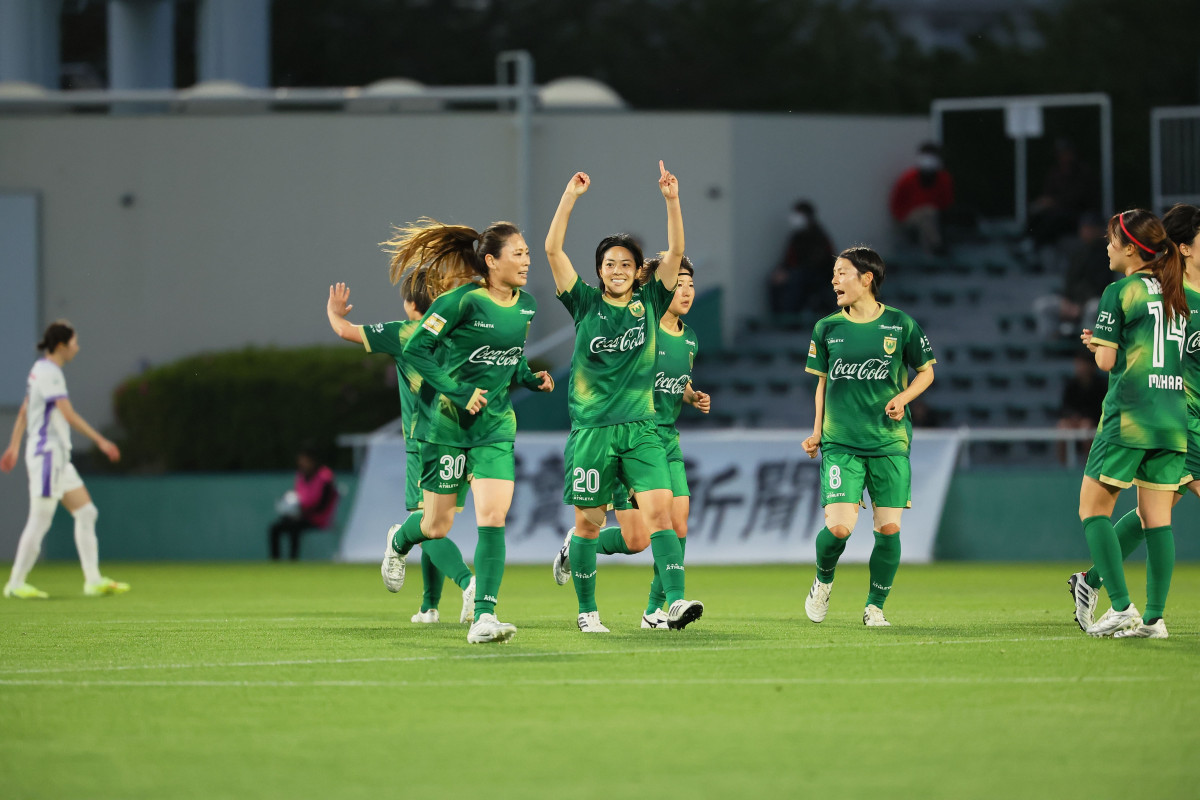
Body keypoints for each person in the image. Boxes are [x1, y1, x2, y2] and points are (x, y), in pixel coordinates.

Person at [545, 161, 705, 632]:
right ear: (599, 270)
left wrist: (672, 199)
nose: (618, 270)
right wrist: (570, 197)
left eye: (626, 265)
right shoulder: (584, 303)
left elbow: (677, 251)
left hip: (641, 429)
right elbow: (553, 249)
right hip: (593, 432)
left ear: (638, 273)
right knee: (589, 526)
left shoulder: (650, 302)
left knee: (662, 517)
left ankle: (671, 604)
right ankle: (587, 613)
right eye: (610, 264)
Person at [381, 218, 553, 644]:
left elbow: (510, 356)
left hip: (495, 427)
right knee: (435, 526)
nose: (527, 261)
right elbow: (417, 349)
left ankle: (484, 616)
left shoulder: (527, 305)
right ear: (491, 261)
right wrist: (457, 391)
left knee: (493, 518)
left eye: (528, 253)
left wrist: (529, 378)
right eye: (518, 253)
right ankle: (400, 539)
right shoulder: (460, 302)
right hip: (446, 427)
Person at [1068, 204, 1198, 639]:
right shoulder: (1178, 291)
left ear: (1130, 248)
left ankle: (1122, 606)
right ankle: (1155, 619)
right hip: (1173, 418)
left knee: (1092, 510)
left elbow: (1107, 362)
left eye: (1112, 241)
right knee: (1156, 519)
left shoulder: (1120, 291)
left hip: (1130, 416)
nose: (1107, 248)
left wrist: (1101, 346)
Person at [325, 267, 477, 625]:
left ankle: (466, 582)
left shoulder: (404, 332)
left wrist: (334, 311)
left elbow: (345, 330)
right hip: (463, 440)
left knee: (427, 524)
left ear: (410, 303)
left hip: (424, 442)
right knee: (435, 525)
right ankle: (429, 607)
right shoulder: (459, 333)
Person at [566, 255, 711, 629]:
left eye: (691, 285)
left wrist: (691, 395)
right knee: (635, 540)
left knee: (678, 523)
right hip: (630, 436)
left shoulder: (690, 338)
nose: (685, 291)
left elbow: (675, 381)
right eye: (678, 283)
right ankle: (577, 547)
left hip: (666, 439)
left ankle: (656, 610)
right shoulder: (640, 328)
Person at [801, 247, 936, 627]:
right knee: (839, 529)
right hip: (841, 443)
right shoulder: (827, 328)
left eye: (841, 272)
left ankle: (875, 606)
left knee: (889, 529)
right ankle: (822, 581)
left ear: (867, 278)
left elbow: (926, 372)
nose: (834, 280)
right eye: (833, 273)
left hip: (889, 442)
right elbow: (821, 384)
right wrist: (816, 431)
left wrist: (903, 398)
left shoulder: (900, 324)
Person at [1, 321, 129, 599]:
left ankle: (93, 581)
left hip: (56, 457)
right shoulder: (50, 373)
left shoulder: (40, 369)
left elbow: (25, 410)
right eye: (74, 342)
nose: (77, 348)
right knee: (40, 519)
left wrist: (14, 447)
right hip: (48, 456)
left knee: (86, 512)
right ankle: (15, 583)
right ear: (61, 346)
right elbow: (68, 415)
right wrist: (102, 441)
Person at [1032, 213, 1113, 339]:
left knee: (1094, 307)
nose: (1085, 231)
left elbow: (1102, 285)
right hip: (1074, 301)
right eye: (1084, 227)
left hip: (1095, 300)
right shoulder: (1078, 252)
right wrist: (1067, 300)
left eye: (1090, 228)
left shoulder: (1108, 254)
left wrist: (1080, 304)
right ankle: (1053, 345)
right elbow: (1070, 282)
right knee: (1042, 306)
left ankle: (1088, 346)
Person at [267, 445, 339, 560]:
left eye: (304, 460)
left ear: (313, 460)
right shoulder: (300, 475)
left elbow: (323, 504)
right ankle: (275, 562)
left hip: (318, 518)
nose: (301, 463)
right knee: (275, 528)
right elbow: (299, 497)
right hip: (301, 516)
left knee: (294, 527)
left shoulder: (325, 477)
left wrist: (303, 512)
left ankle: (293, 560)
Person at [768, 200, 836, 322]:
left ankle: (791, 319)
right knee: (776, 281)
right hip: (798, 273)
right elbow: (789, 258)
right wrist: (782, 270)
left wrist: (791, 272)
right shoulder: (796, 236)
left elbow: (819, 262)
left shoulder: (818, 236)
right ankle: (780, 318)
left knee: (795, 280)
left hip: (818, 275)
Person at [1027, 139, 1100, 248]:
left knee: (1054, 219)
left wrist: (1054, 202)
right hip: (1057, 211)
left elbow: (1079, 198)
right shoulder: (1055, 173)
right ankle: (1028, 240)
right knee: (1037, 214)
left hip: (1076, 213)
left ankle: (1036, 244)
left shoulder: (1082, 173)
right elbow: (1048, 193)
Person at [888, 142, 954, 255]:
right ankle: (937, 246)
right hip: (909, 218)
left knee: (927, 220)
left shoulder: (943, 179)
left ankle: (930, 252)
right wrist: (902, 218)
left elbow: (946, 203)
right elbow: (896, 203)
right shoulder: (908, 179)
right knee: (927, 214)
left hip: (933, 217)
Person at [1056, 352, 1107, 464]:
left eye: (1083, 364)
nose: (1080, 367)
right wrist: (1073, 417)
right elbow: (1065, 407)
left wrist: (1087, 418)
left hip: (1095, 422)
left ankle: (1090, 466)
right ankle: (1063, 465)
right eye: (1078, 364)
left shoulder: (1101, 385)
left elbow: (1102, 409)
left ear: (1091, 366)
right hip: (1074, 420)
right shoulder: (1071, 385)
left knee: (1086, 426)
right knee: (1062, 426)